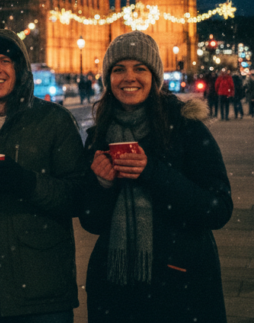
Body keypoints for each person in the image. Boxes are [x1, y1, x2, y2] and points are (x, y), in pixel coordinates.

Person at [80, 31, 233, 323]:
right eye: (118, 69)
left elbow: (219, 208)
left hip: (178, 285)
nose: (129, 77)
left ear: (155, 77)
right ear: (107, 79)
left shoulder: (187, 128)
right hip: (115, 291)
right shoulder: (97, 137)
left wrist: (153, 173)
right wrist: (102, 185)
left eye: (140, 68)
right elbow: (92, 222)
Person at [0, 28, 85, 322]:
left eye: (4, 60)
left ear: (19, 68)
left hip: (44, 288)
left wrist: (26, 182)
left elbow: (77, 197)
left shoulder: (55, 120)